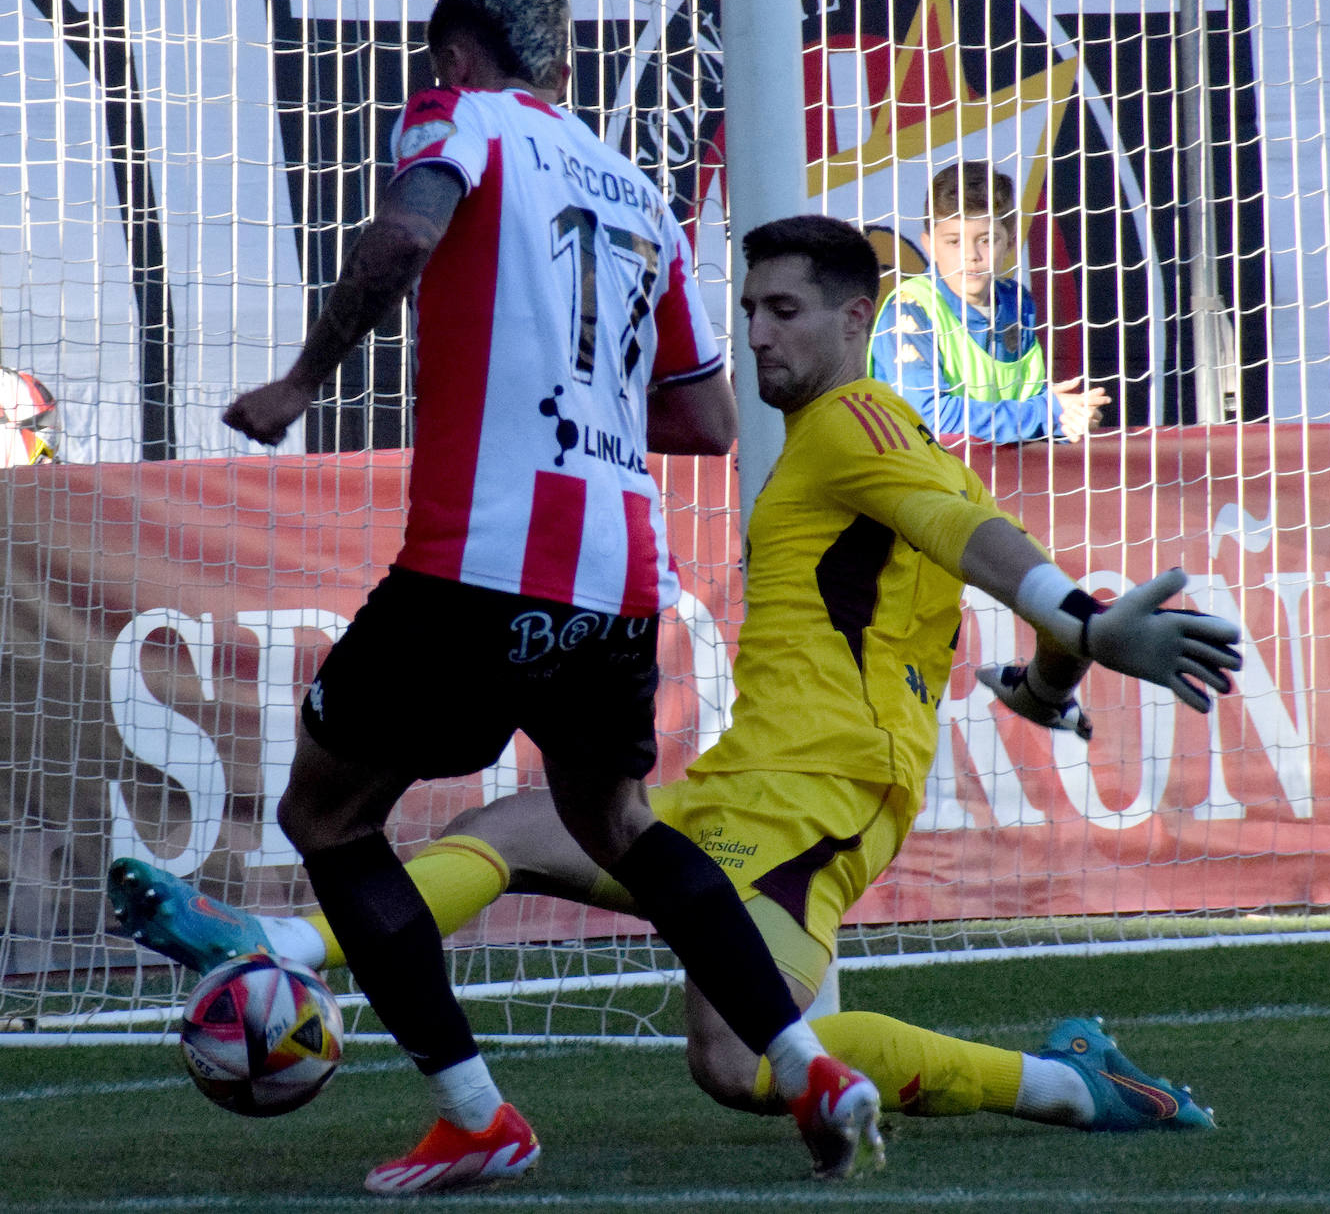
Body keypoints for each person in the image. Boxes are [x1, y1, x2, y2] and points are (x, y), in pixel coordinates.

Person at [116, 214, 1240, 1154]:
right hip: (757, 782)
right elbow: (977, 540)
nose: (757, 333)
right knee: (514, 825)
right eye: (748, 310)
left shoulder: (852, 421)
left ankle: (1063, 1084)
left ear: (861, 317)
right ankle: (284, 947)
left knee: (737, 1055)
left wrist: (1081, 626)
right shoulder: (895, 440)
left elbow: (971, 531)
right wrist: (1050, 673)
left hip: (813, 794)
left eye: (784, 310)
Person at [210, 0, 884, 1193]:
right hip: (619, 572)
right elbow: (709, 419)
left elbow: (407, 235)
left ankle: (475, 1112)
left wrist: (303, 382)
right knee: (617, 820)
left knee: (326, 817)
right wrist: (579, 399)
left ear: (455, 59)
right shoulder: (641, 193)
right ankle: (807, 1064)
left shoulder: (456, 118)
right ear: (567, 71)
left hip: (478, 561)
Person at [869, 162, 1110, 444]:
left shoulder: (1017, 303)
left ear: (1010, 243)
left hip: (1001, 482)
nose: (971, 256)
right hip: (922, 482)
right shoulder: (910, 307)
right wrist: (1045, 412)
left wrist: (1067, 419)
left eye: (986, 240)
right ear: (929, 244)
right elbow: (927, 418)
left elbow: (1027, 403)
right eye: (954, 242)